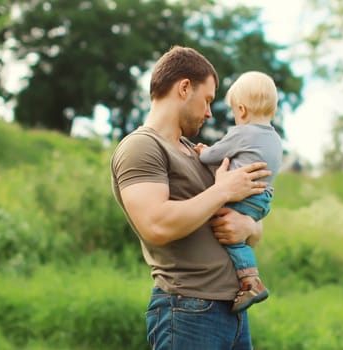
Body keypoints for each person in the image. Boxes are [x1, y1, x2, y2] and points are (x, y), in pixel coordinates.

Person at [110, 45, 271, 349]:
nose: (210, 112)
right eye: (207, 99)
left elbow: (247, 226)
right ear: (184, 88)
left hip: (232, 312)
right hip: (188, 312)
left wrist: (249, 228)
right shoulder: (142, 147)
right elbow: (156, 225)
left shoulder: (197, 153)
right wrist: (223, 189)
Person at [194, 71, 282, 313]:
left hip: (244, 197)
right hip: (262, 200)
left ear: (241, 110)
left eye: (234, 112)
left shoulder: (243, 132)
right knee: (239, 233)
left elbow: (212, 155)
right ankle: (248, 279)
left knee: (225, 227)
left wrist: (202, 151)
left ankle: (251, 282)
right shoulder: (275, 139)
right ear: (272, 111)